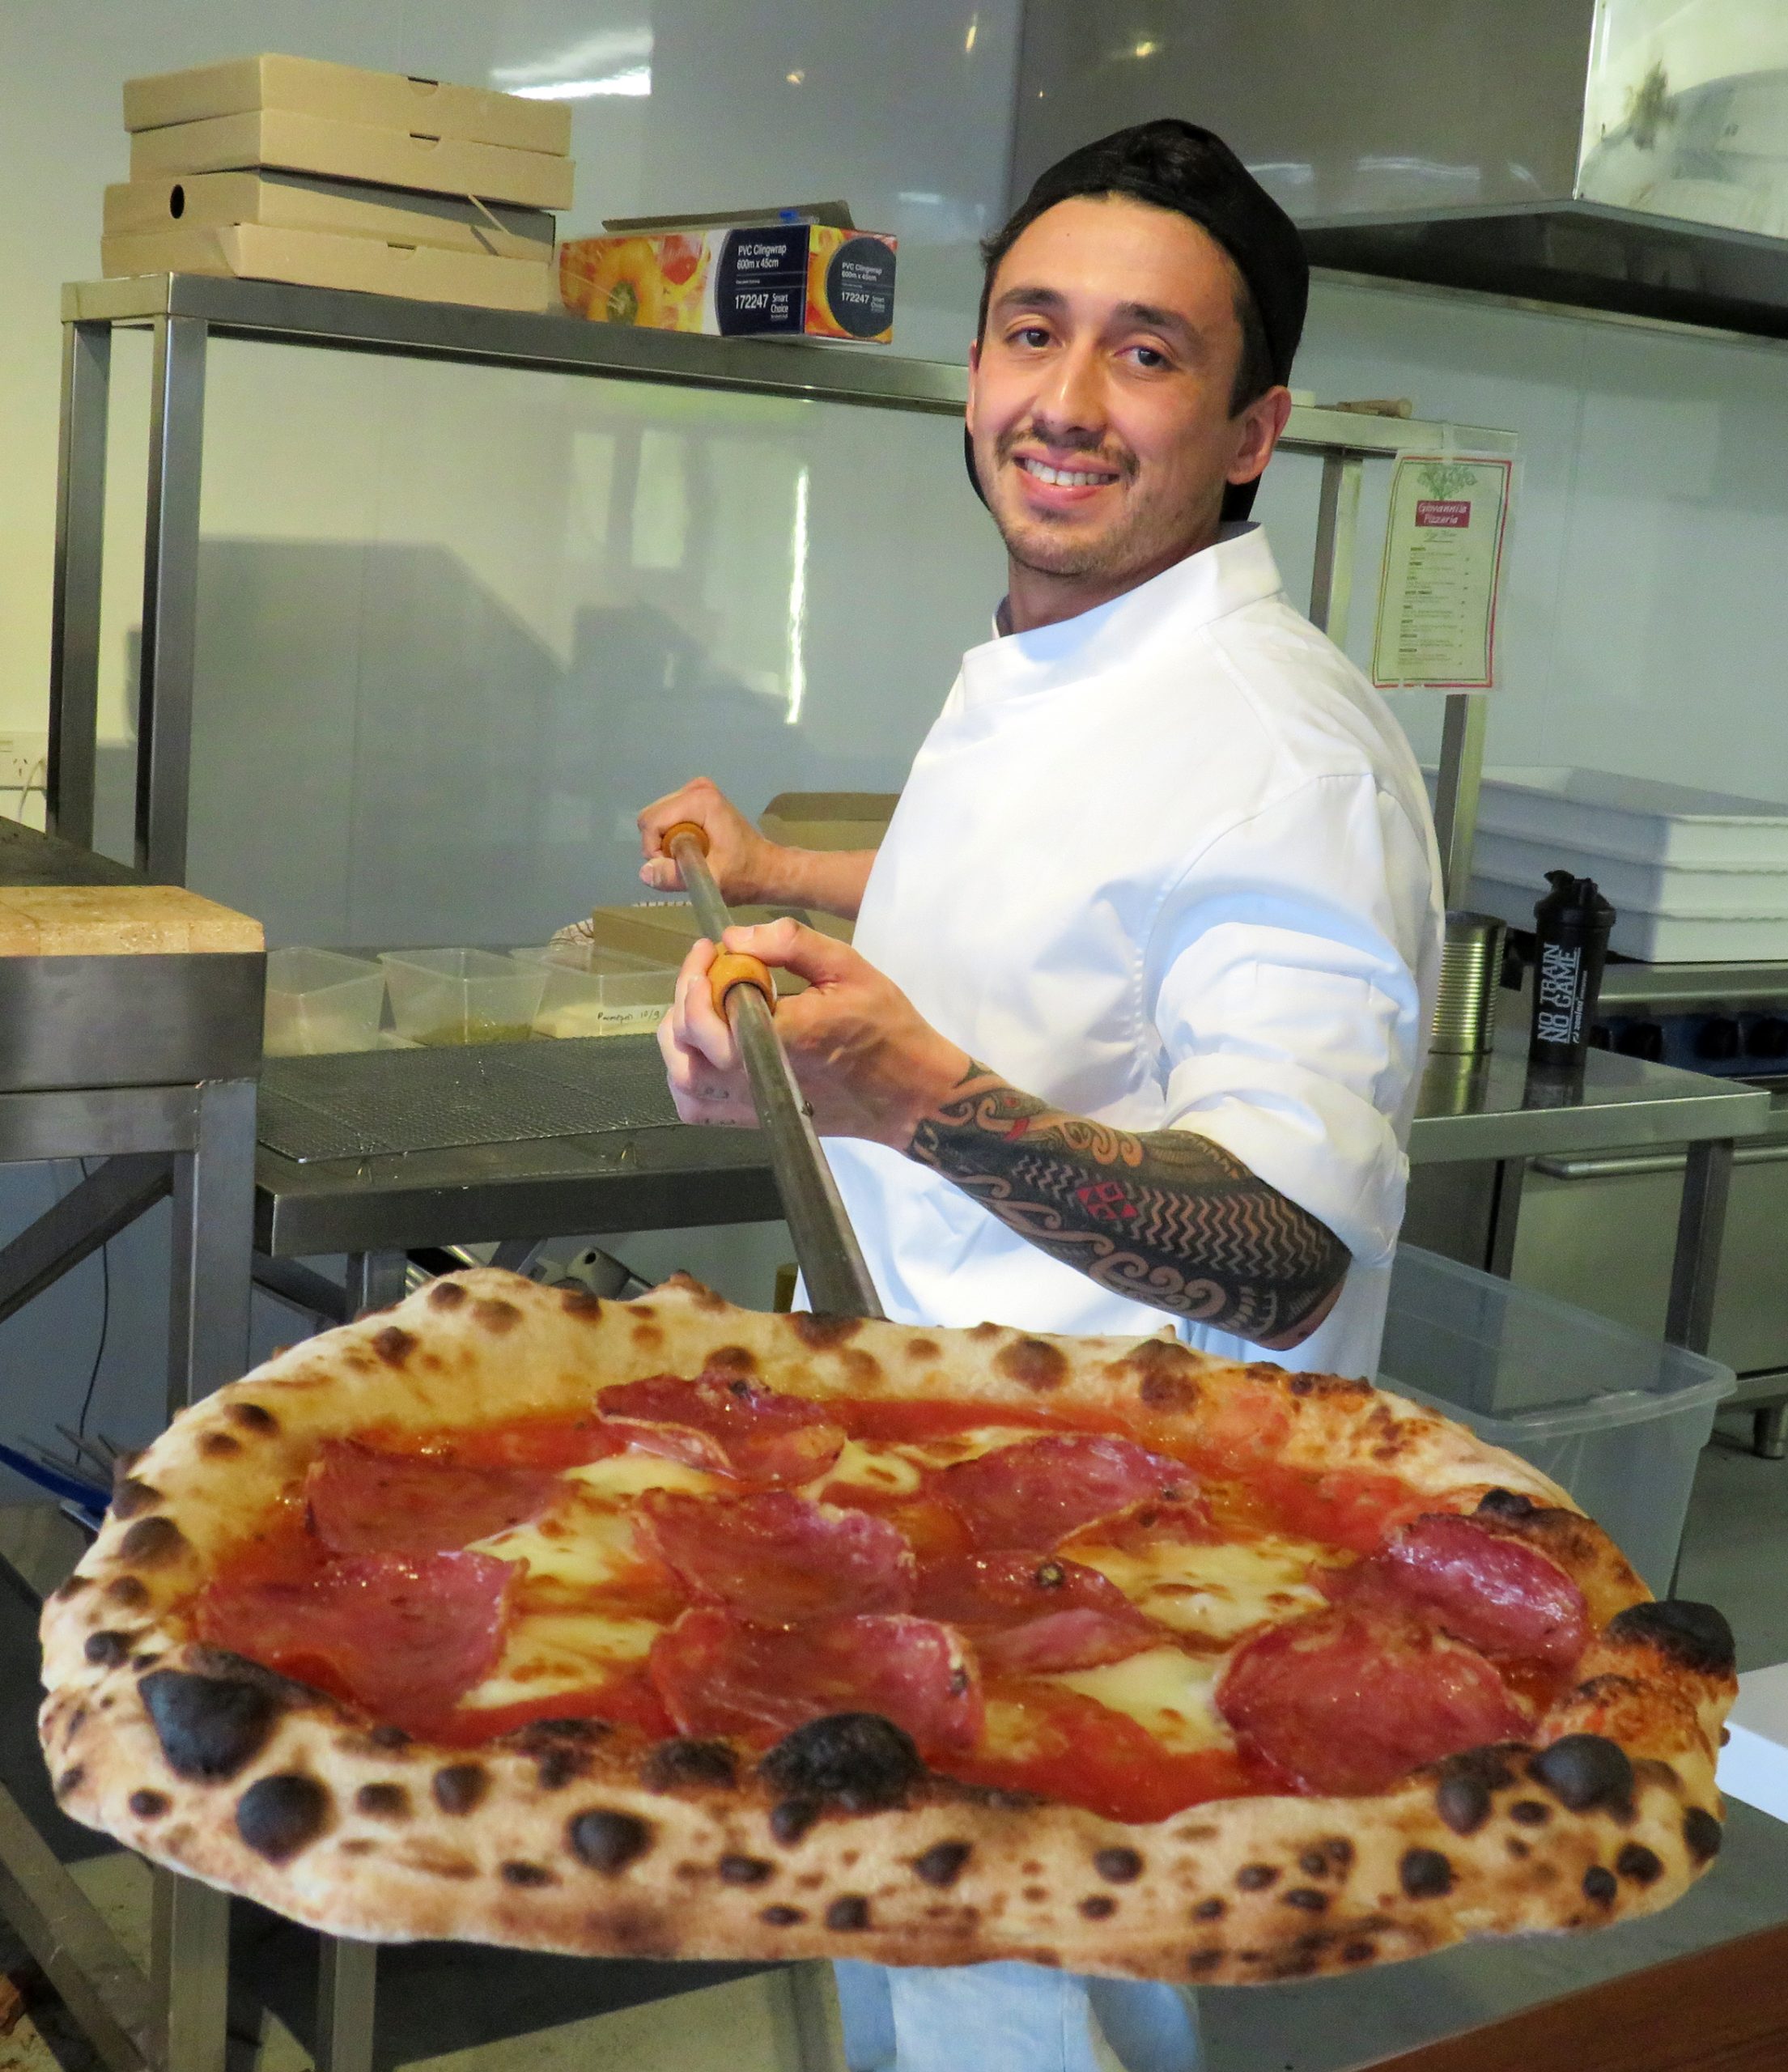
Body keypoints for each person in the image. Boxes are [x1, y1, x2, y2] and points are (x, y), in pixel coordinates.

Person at [639, 120, 1442, 2072]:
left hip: (1119, 1598)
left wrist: (908, 1095)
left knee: (1042, 2025)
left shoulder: (1283, 749)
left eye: (1147, 353)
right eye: (1032, 332)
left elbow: (1279, 1247)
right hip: (935, 1504)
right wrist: (796, 888)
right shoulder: (1071, 646)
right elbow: (1056, 877)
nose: (1065, 403)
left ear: (1253, 428)